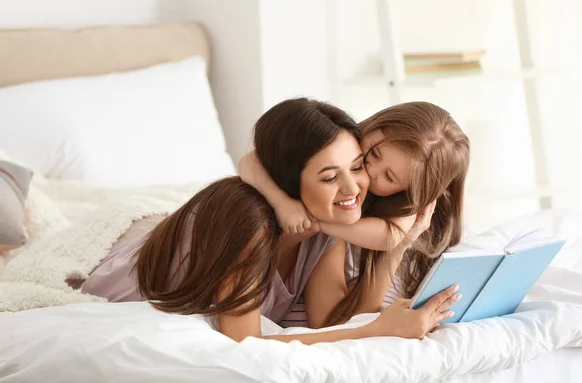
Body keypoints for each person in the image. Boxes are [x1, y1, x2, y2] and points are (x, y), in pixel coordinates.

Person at [81, 98, 460, 343]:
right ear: (289, 180)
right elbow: (243, 341)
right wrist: (377, 330)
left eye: (358, 166)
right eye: (330, 176)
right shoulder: (252, 224)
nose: (356, 186)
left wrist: (399, 243)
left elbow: (330, 319)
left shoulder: (330, 225)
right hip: (125, 286)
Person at [239, 100, 470, 324]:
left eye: (389, 177)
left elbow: (388, 238)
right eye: (374, 154)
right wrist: (283, 204)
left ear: (408, 192)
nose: (370, 171)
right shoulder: (335, 147)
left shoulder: (403, 212)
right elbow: (251, 160)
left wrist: (318, 223)